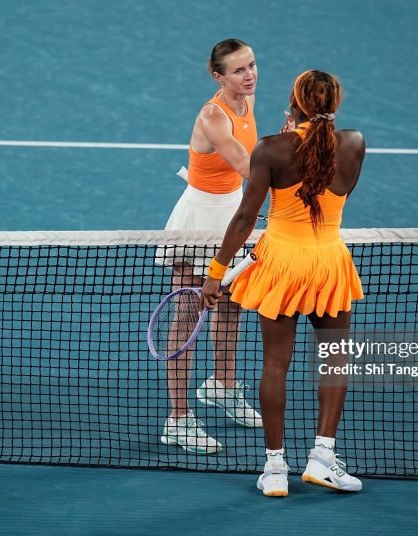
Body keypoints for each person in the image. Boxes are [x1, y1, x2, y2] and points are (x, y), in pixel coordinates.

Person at [201, 70, 366, 496]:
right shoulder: (354, 144)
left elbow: (244, 218)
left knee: (276, 364)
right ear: (335, 103)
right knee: (335, 361)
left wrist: (215, 275)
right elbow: (334, 192)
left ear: (294, 105)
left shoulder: (271, 149)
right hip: (329, 263)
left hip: (282, 266)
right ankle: (322, 458)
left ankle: (275, 469)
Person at [159, 38, 263, 455]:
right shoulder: (212, 116)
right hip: (199, 223)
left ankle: (222, 385)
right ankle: (178, 419)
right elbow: (248, 165)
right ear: (218, 77)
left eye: (252, 65)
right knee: (187, 316)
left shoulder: (246, 101)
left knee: (233, 303)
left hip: (233, 211)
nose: (250, 74)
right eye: (238, 71)